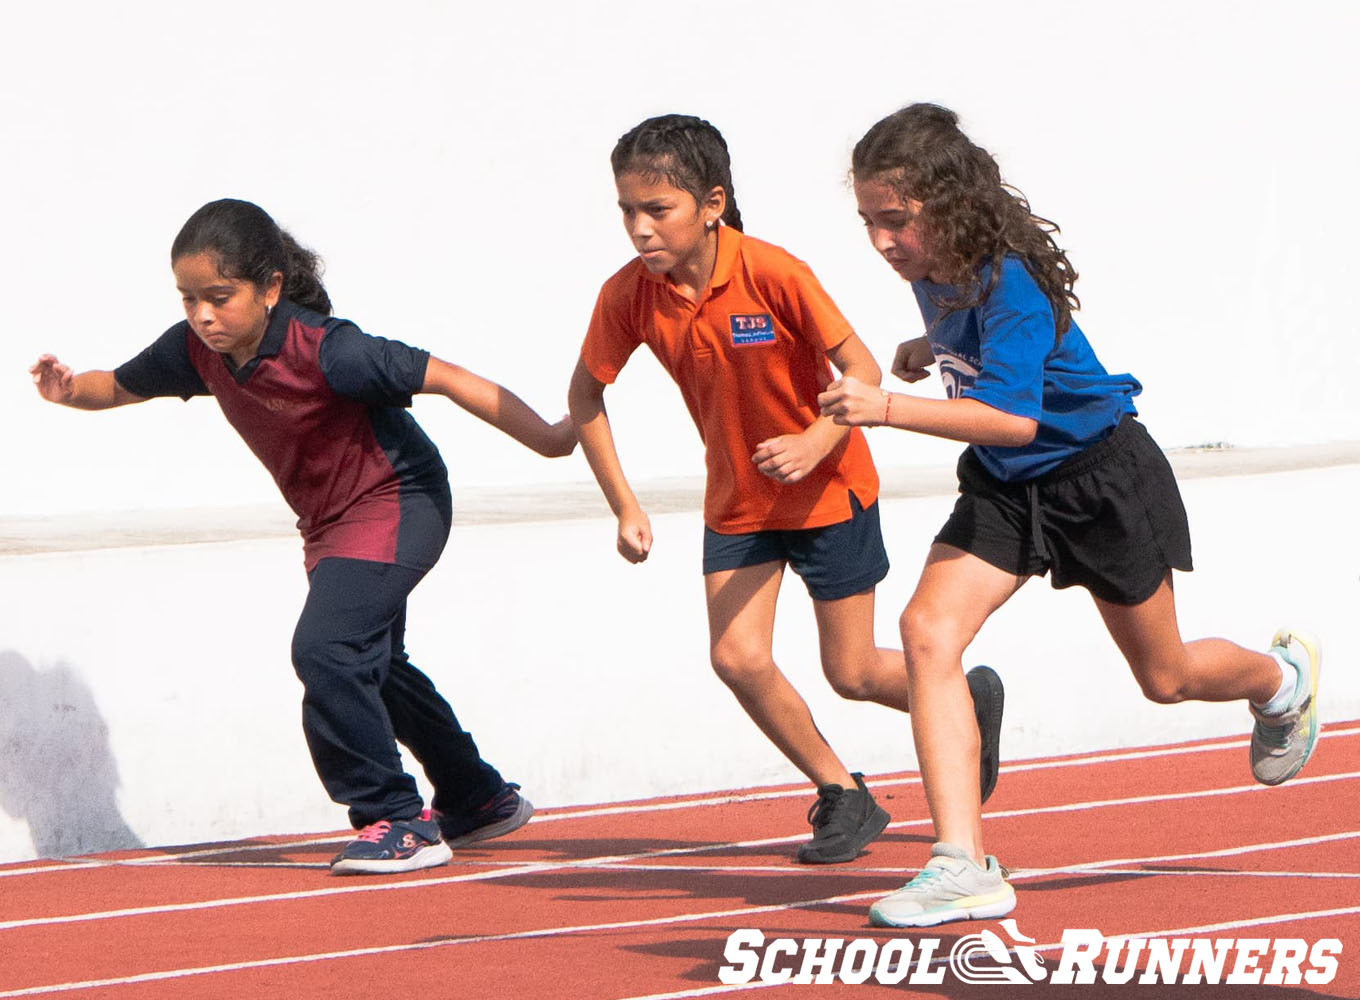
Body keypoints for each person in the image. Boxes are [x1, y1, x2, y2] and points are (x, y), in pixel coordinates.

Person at [818, 102, 1322, 925]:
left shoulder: (1010, 279)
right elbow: (993, 389)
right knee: (926, 634)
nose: (881, 242)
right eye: (869, 221)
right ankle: (961, 863)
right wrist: (929, 351)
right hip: (1005, 488)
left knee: (1168, 678)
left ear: (948, 206)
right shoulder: (932, 272)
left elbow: (1015, 415)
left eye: (896, 221)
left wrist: (885, 406)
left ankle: (1279, 680)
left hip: (1099, 478)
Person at [30, 198, 576, 875]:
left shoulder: (332, 351)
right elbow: (114, 385)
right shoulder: (198, 351)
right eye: (188, 298)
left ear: (271, 288)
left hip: (399, 501)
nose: (202, 314)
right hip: (329, 523)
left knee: (326, 650)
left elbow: (452, 378)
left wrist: (551, 440)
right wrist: (65, 389)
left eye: (220, 297)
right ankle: (478, 795)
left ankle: (397, 818)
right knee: (372, 665)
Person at [567, 113, 1006, 866]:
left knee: (855, 673)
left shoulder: (774, 272)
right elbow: (584, 398)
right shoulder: (628, 296)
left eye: (656, 210)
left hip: (829, 493)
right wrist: (624, 505)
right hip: (737, 501)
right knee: (737, 658)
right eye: (626, 212)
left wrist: (814, 441)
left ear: (711, 203)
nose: (639, 230)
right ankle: (844, 793)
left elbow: (862, 372)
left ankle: (966, 699)